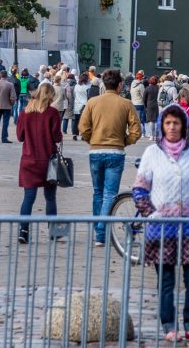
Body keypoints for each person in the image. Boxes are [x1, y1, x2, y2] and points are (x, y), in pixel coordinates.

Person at [132, 103, 189, 342]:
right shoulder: (152, 153)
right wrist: (151, 214)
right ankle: (169, 325)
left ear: (184, 126)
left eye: (176, 123)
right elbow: (139, 189)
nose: (171, 127)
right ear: (162, 126)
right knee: (166, 280)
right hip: (162, 229)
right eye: (168, 123)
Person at [79, 69, 141, 247]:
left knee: (98, 192)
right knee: (110, 194)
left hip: (95, 151)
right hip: (116, 152)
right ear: (120, 84)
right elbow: (136, 131)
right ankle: (101, 232)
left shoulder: (93, 102)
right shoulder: (126, 104)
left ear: (104, 84)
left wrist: (92, 139)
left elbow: (83, 127)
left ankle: (99, 231)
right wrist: (124, 141)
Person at [16, 83, 62, 244]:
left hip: (29, 160)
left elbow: (20, 137)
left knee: (28, 198)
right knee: (50, 198)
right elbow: (57, 137)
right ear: (50, 96)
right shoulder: (52, 113)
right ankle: (53, 231)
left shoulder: (24, 113)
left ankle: (23, 231)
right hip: (48, 161)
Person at [0, 70, 17, 143]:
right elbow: (13, 97)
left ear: (0, 75)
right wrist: (12, 103)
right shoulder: (10, 85)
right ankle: (4, 138)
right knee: (5, 123)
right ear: (6, 76)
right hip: (7, 106)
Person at [71, 73, 91, 141]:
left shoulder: (76, 86)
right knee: (84, 121)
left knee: (76, 121)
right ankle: (83, 135)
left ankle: (74, 134)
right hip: (84, 105)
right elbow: (89, 96)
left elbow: (74, 95)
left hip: (77, 105)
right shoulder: (88, 87)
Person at [130, 70, 147, 137]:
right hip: (140, 103)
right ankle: (143, 133)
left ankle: (134, 131)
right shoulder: (141, 85)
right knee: (141, 119)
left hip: (133, 103)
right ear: (141, 78)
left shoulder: (132, 84)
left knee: (135, 119)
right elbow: (144, 95)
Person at [144, 75, 160, 142]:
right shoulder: (159, 88)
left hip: (149, 105)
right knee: (157, 120)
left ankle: (151, 135)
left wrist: (146, 106)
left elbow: (144, 98)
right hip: (157, 104)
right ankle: (157, 135)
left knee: (151, 121)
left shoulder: (147, 88)